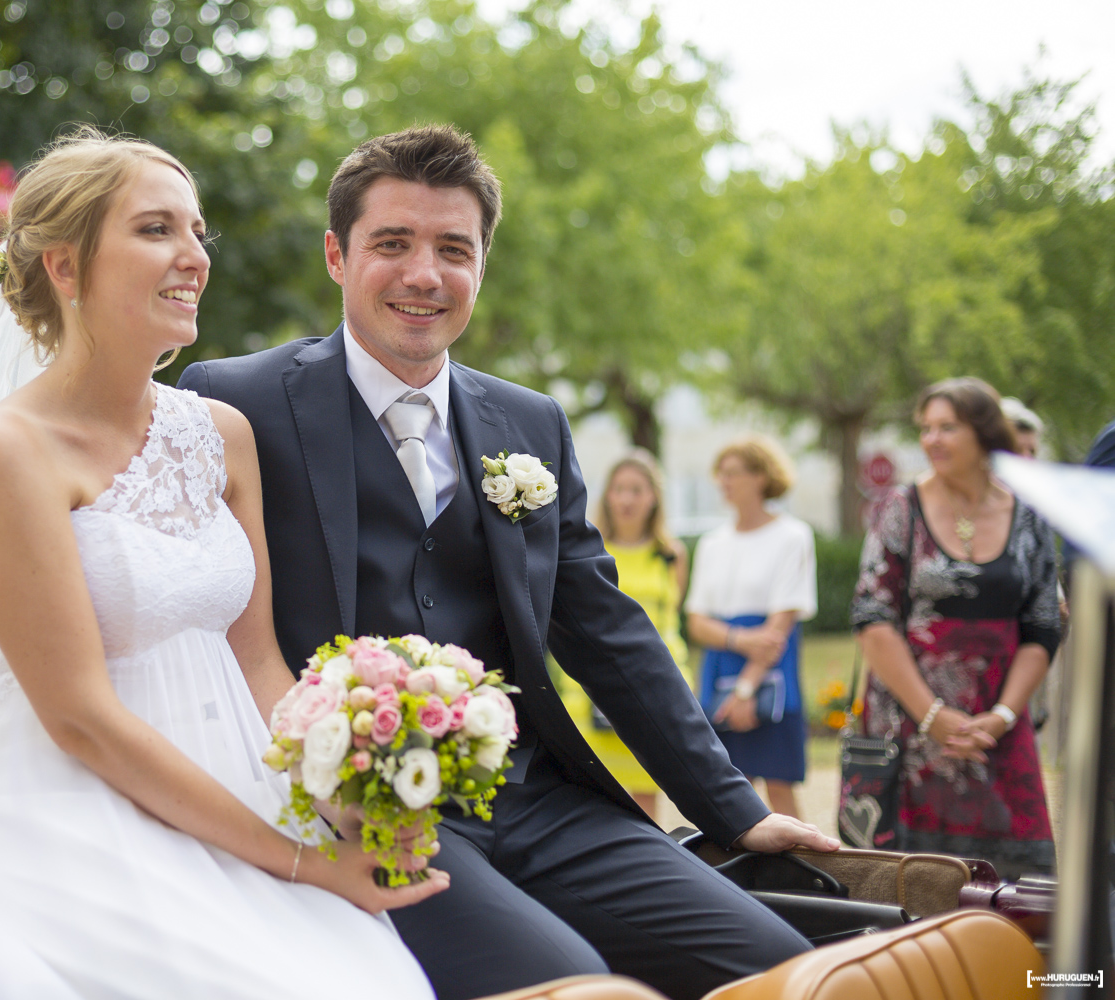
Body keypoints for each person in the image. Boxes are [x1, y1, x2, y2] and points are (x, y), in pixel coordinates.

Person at [0, 132, 441, 999]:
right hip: (76, 821)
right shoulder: (10, 453)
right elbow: (81, 719)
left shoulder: (222, 436)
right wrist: (300, 865)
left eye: (197, 231)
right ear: (64, 265)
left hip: (245, 790)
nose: (194, 255)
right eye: (157, 229)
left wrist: (345, 801)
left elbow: (258, 664)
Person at [179, 124, 833, 1000]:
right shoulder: (235, 402)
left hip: (538, 794)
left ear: (482, 265)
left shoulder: (531, 424)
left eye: (454, 249)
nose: (424, 274)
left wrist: (738, 810)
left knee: (785, 965)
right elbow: (199, 630)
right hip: (361, 809)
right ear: (337, 256)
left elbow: (606, 630)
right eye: (392, 243)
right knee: (569, 985)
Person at [851, 377, 1060, 879]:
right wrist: (933, 716)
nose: (932, 439)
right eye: (925, 428)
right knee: (909, 887)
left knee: (1021, 892)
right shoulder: (899, 508)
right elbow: (873, 618)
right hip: (909, 725)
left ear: (984, 432)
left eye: (947, 427)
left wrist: (1003, 716)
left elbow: (1042, 625)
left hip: (998, 726)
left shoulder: (1029, 516)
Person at [685, 437, 817, 820]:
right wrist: (740, 639)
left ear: (761, 476)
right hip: (719, 672)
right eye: (720, 474)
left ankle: (802, 861)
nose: (723, 482)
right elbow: (696, 623)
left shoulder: (793, 536)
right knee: (730, 793)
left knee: (779, 789)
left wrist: (745, 690)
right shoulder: (712, 543)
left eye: (732, 473)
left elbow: (779, 628)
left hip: (771, 675)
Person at [560, 450, 689, 820]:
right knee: (595, 793)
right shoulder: (589, 549)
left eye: (637, 490)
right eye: (619, 489)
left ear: (654, 497)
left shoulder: (671, 554)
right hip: (592, 685)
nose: (627, 499)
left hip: (657, 680)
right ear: (607, 496)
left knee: (648, 790)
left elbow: (673, 615)